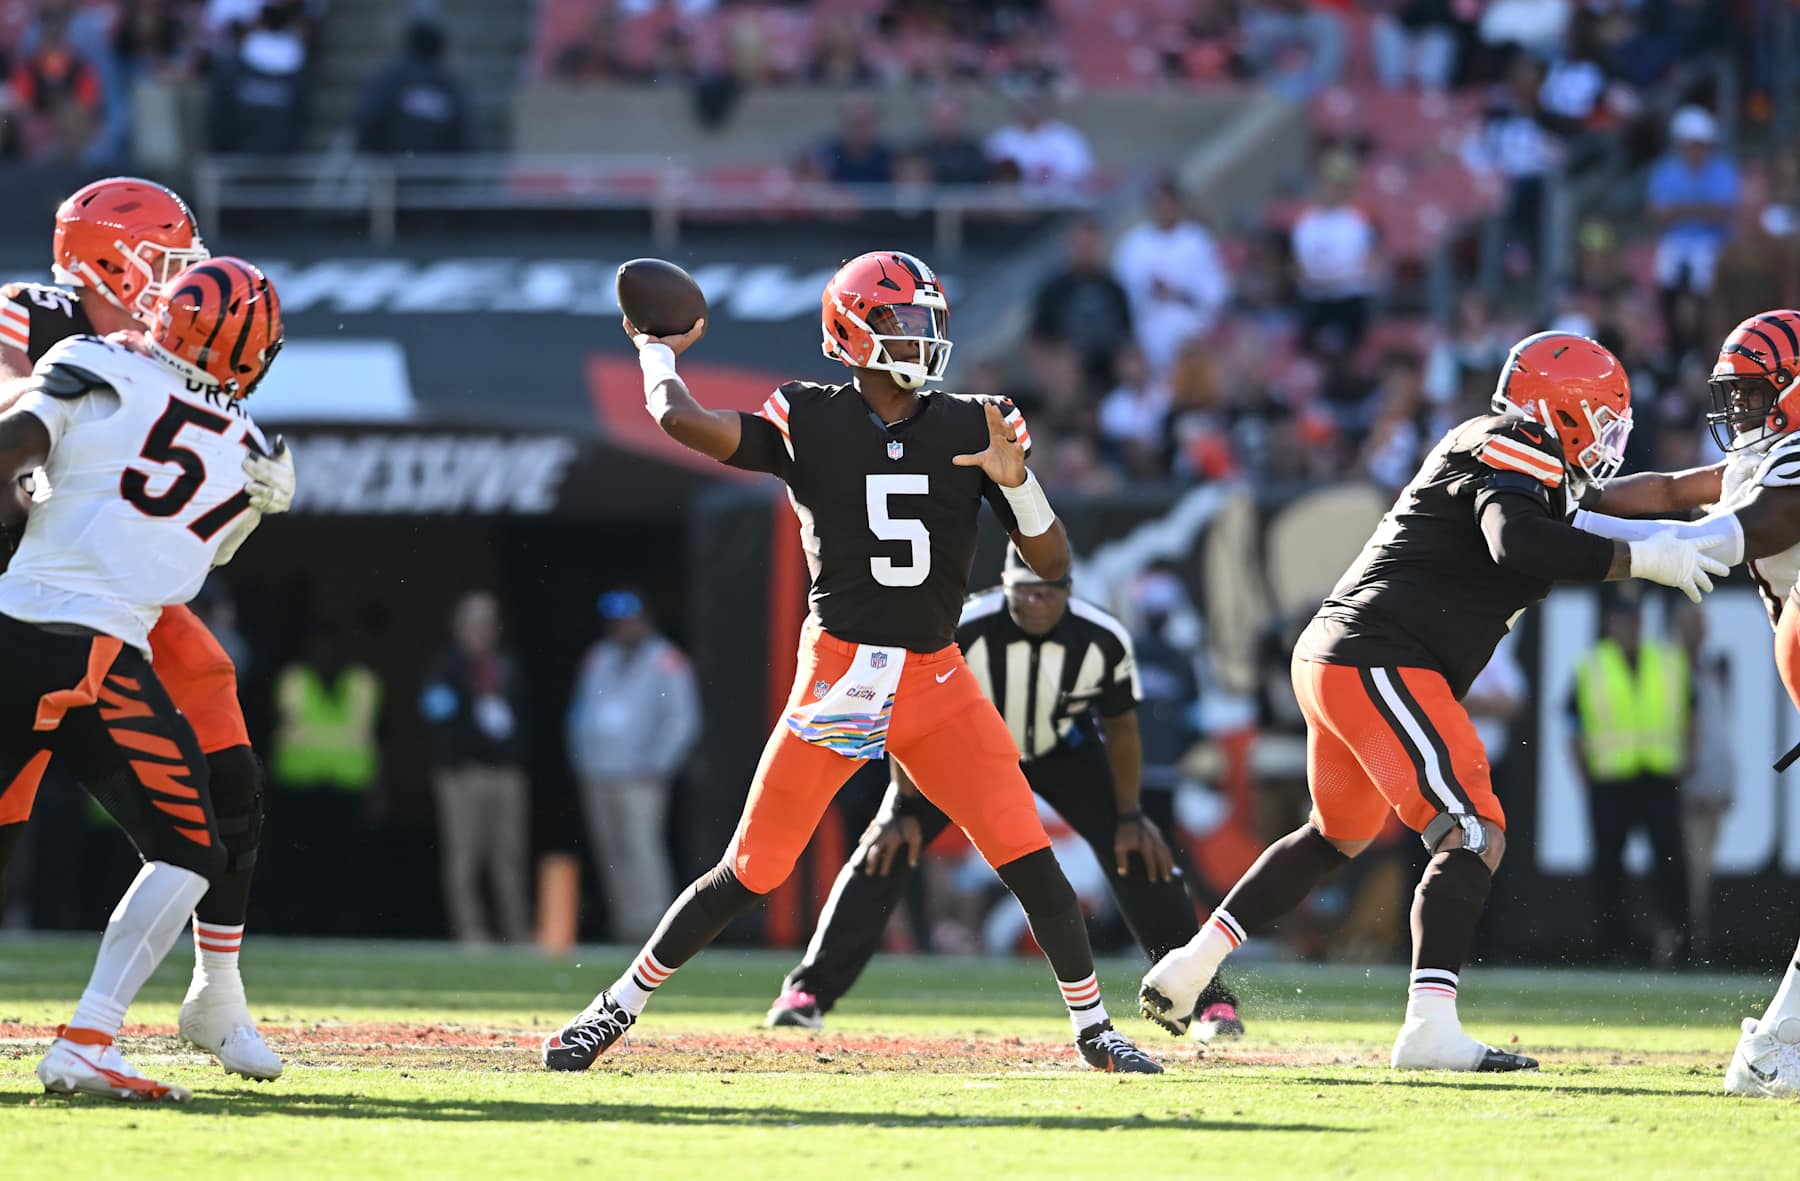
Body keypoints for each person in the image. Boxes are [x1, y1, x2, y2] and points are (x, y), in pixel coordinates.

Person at [542, 250, 1160, 1074]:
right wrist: (657, 351)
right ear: (853, 330)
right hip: (840, 673)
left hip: (937, 676)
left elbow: (1050, 562)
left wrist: (1022, 486)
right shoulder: (809, 416)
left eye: (928, 321)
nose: (923, 337)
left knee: (1028, 855)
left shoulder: (975, 420)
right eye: (905, 321)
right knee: (751, 868)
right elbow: (684, 421)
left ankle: (1093, 1026)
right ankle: (610, 1009)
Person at [1139, 331, 1728, 1072]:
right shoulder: (1512, 446)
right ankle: (1429, 1026)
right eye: (1603, 419)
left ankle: (1191, 967)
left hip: (1343, 655)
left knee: (1336, 834)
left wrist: (1736, 482)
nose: (1611, 438)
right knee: (1474, 829)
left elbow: (1655, 494)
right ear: (1560, 411)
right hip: (1381, 655)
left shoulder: (1528, 465)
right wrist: (1644, 556)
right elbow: (1516, 542)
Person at [0, 178, 292, 1082]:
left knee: (228, 767)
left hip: (111, 594)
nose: (179, 278)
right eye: (166, 261)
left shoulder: (158, 362)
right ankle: (100, 1031)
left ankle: (218, 991)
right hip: (39, 574)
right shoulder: (30, 317)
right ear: (104, 259)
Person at [766, 546, 1246, 1040]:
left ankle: (1206, 1001)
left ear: (1068, 589)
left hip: (1062, 747)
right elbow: (908, 709)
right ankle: (807, 993)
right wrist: (905, 805)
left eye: (1047, 591)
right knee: (885, 847)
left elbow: (1122, 730)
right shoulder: (966, 625)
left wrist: (1128, 814)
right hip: (965, 749)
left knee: (1141, 854)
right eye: (1026, 590)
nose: (1036, 601)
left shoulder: (1102, 637)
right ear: (1003, 583)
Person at [1570, 308, 1800, 1097]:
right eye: (1733, 395)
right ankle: (1774, 1047)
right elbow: (1671, 488)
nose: (1737, 412)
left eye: (1752, 394)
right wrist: (1577, 505)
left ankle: (1774, 1048)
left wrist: (1612, 549)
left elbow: (1741, 529)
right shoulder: (1765, 456)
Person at [566, 588, 700, 942]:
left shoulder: (666, 660)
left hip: (641, 777)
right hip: (599, 773)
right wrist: (583, 758)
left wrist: (657, 764)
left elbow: (683, 721)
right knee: (610, 852)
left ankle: (654, 928)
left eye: (629, 619)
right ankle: (625, 925)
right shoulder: (598, 657)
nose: (622, 627)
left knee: (643, 850)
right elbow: (581, 713)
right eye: (616, 621)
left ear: (645, 619)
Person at [1566, 597, 1693, 965]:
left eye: (1635, 620)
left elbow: (1691, 712)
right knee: (1609, 866)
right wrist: (1584, 775)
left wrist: (1689, 761)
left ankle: (1679, 944)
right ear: (1610, 624)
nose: (1629, 627)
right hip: (1610, 780)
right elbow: (1573, 725)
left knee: (1670, 863)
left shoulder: (1667, 661)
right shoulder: (1592, 665)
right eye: (1623, 621)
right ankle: (1612, 945)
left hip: (1658, 776)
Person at [422, 591, 532, 946]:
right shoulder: (444, 667)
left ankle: (516, 929)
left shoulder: (508, 665)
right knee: (464, 856)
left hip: (506, 774)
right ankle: (470, 930)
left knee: (509, 856)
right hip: (462, 775)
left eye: (488, 622)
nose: (481, 630)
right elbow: (435, 715)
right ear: (458, 626)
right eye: (474, 622)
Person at [265, 622, 381, 934]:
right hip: (300, 789)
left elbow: (370, 737)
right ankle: (298, 927)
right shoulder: (294, 680)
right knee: (300, 868)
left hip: (348, 789)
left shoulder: (361, 682)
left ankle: (346, 929)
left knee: (348, 869)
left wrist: (376, 788)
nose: (325, 654)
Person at [1112, 175, 1232, 378]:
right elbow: (1122, 296)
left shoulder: (1197, 239)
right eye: (1156, 201)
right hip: (1150, 341)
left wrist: (1177, 293)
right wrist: (1150, 290)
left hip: (1194, 339)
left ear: (1178, 203)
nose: (1162, 207)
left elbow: (1217, 293)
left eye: (1167, 201)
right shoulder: (1133, 245)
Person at [1675, 603, 1732, 961]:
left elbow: (1718, 735)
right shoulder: (1671, 671)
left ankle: (1696, 943)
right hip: (1688, 790)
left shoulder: (1711, 670)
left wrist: (1724, 784)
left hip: (1712, 787)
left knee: (1703, 874)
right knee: (1685, 874)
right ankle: (1682, 946)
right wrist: (1685, 784)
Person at [354, 20, 470, 157]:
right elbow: (464, 138)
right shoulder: (448, 86)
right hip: (435, 171)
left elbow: (366, 121)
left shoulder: (388, 80)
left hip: (396, 167)